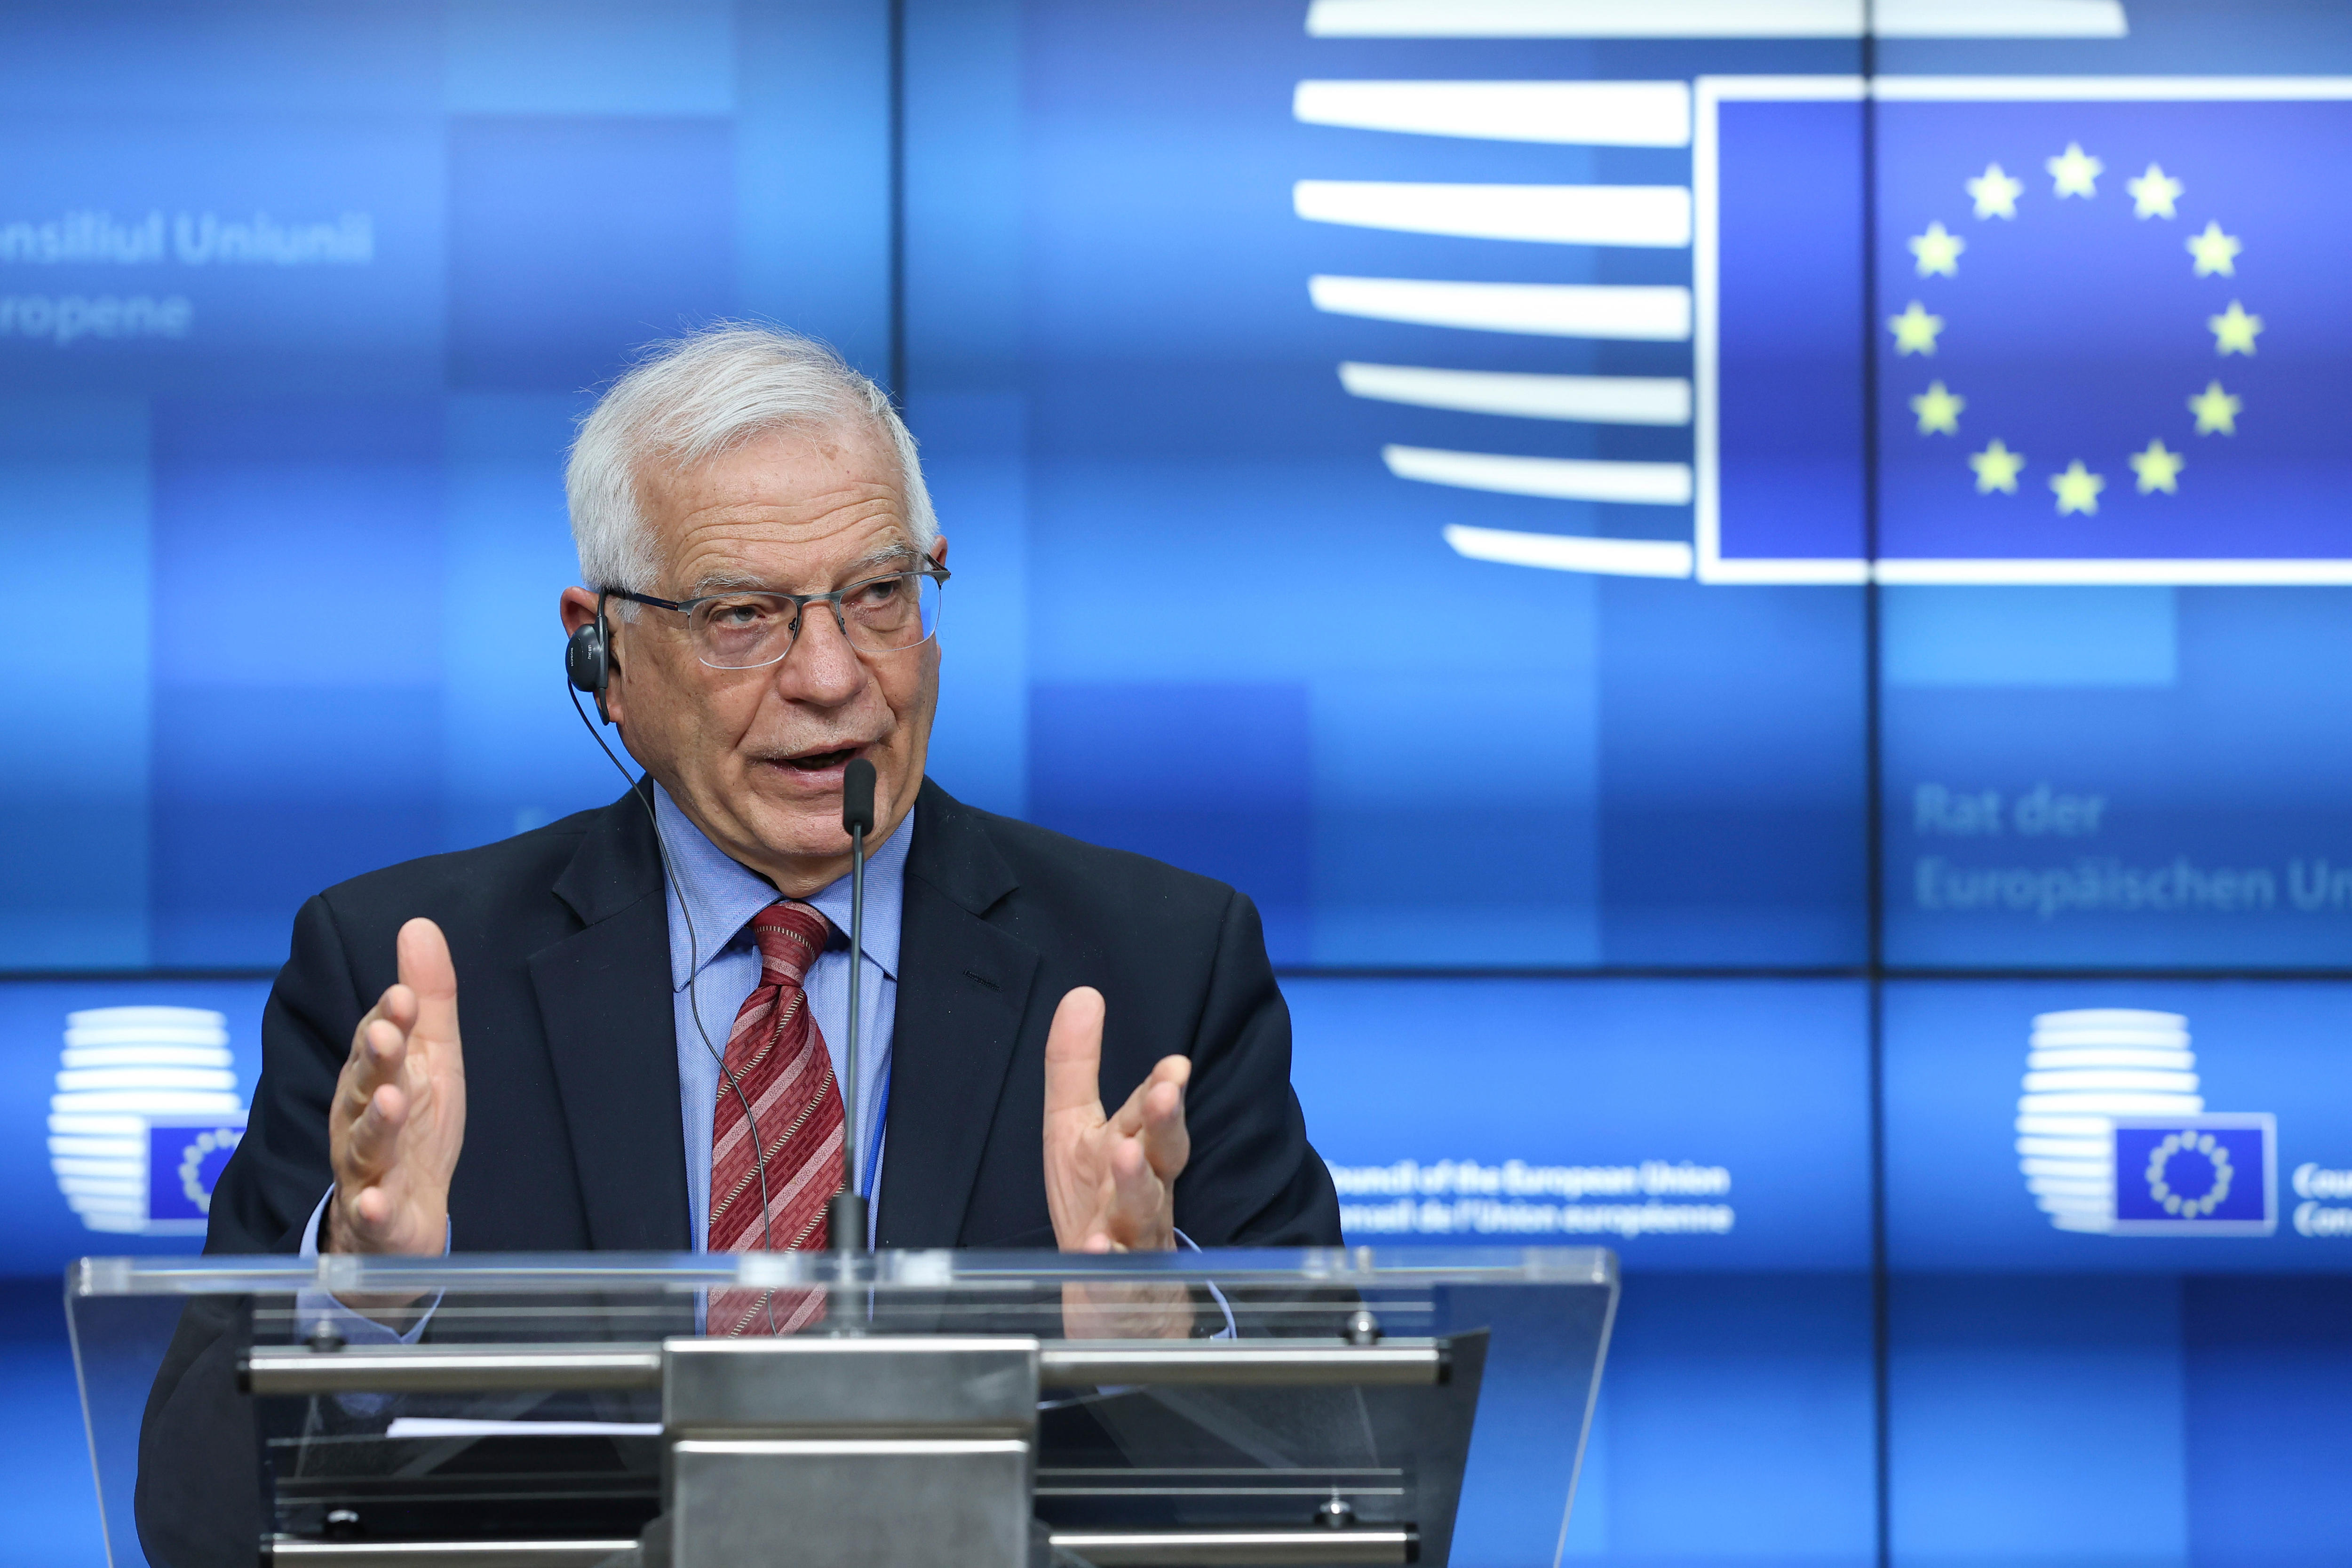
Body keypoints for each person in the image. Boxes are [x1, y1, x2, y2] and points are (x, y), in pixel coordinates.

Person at [135, 324, 1340, 1564]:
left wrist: (1161, 1337)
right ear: (603, 653)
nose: (832, 676)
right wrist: (358, 1299)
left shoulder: (1162, 967)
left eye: (879, 595)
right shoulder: (399, 978)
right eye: (743, 616)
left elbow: (1341, 1491)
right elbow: (196, 1522)